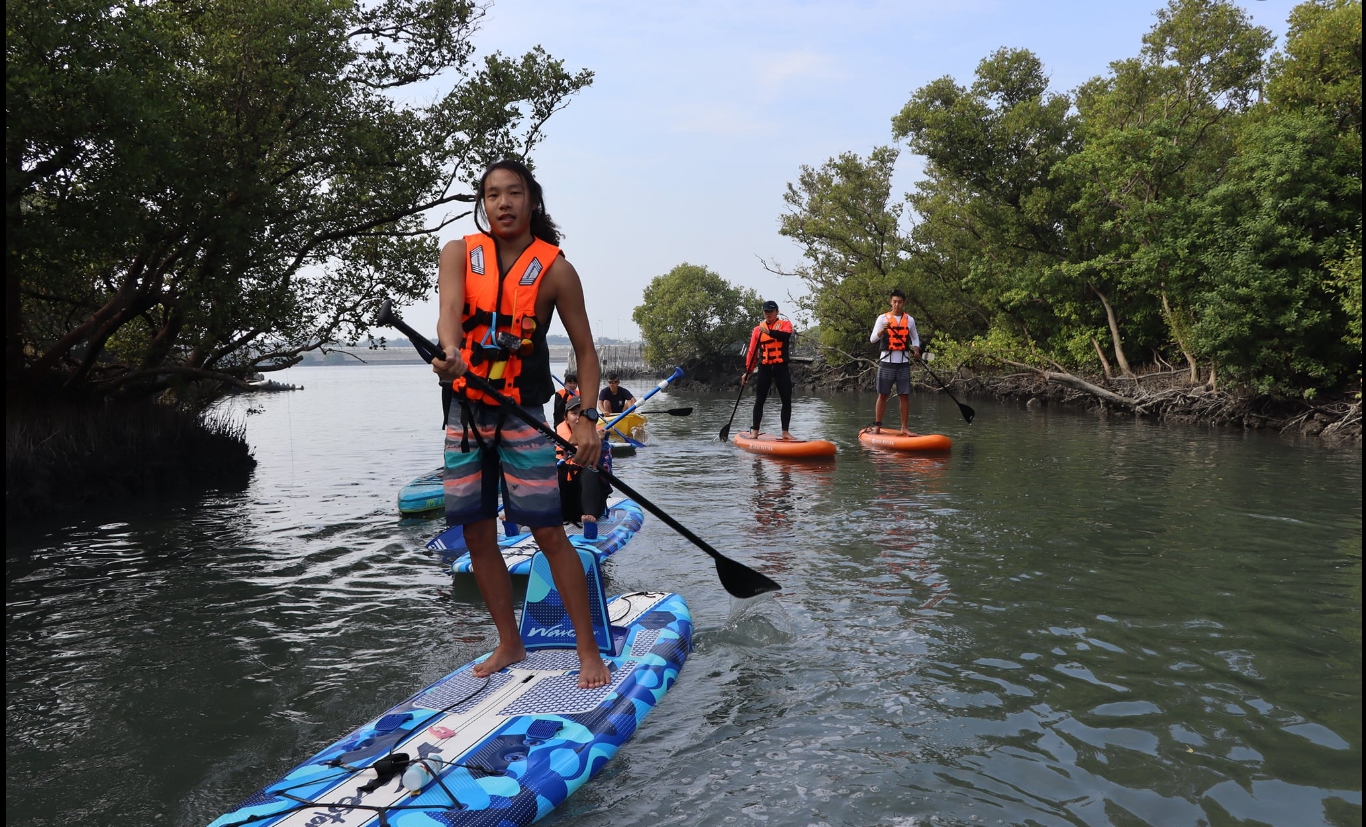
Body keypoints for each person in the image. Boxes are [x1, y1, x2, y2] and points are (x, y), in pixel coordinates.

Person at [431, 159, 611, 689]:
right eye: (492, 195)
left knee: (549, 533)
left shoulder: (555, 270)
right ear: (482, 204)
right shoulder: (459, 253)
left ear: (533, 201)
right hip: (464, 413)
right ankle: (510, 643)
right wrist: (449, 353)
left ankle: (588, 652)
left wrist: (585, 419)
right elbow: (449, 315)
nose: (503, 203)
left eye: (514, 193)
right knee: (477, 533)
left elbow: (585, 351)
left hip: (524, 414)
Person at [556, 394, 612, 539]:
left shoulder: (599, 439)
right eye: (574, 413)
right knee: (553, 472)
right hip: (564, 506)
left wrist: (601, 443)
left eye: (582, 414)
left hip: (590, 505)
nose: (578, 418)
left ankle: (590, 520)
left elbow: (606, 472)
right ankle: (522, 515)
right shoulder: (555, 439)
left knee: (589, 469)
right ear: (566, 417)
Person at [869, 288, 921, 435]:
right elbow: (873, 339)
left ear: (904, 303)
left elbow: (915, 337)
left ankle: (904, 428)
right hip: (886, 361)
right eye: (894, 302)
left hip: (903, 362)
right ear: (891, 302)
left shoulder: (909, 320)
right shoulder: (882, 319)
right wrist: (882, 331)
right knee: (883, 394)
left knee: (904, 395)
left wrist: (916, 349)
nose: (897, 305)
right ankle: (877, 426)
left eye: (899, 302)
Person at [742, 300, 795, 440]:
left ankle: (785, 432)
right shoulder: (757, 330)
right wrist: (747, 372)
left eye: (771, 312)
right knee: (759, 400)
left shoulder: (785, 324)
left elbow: (786, 335)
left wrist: (769, 332)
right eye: (766, 312)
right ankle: (755, 432)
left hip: (781, 367)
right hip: (765, 367)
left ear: (777, 312)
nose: (768, 314)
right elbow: (752, 352)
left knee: (786, 400)